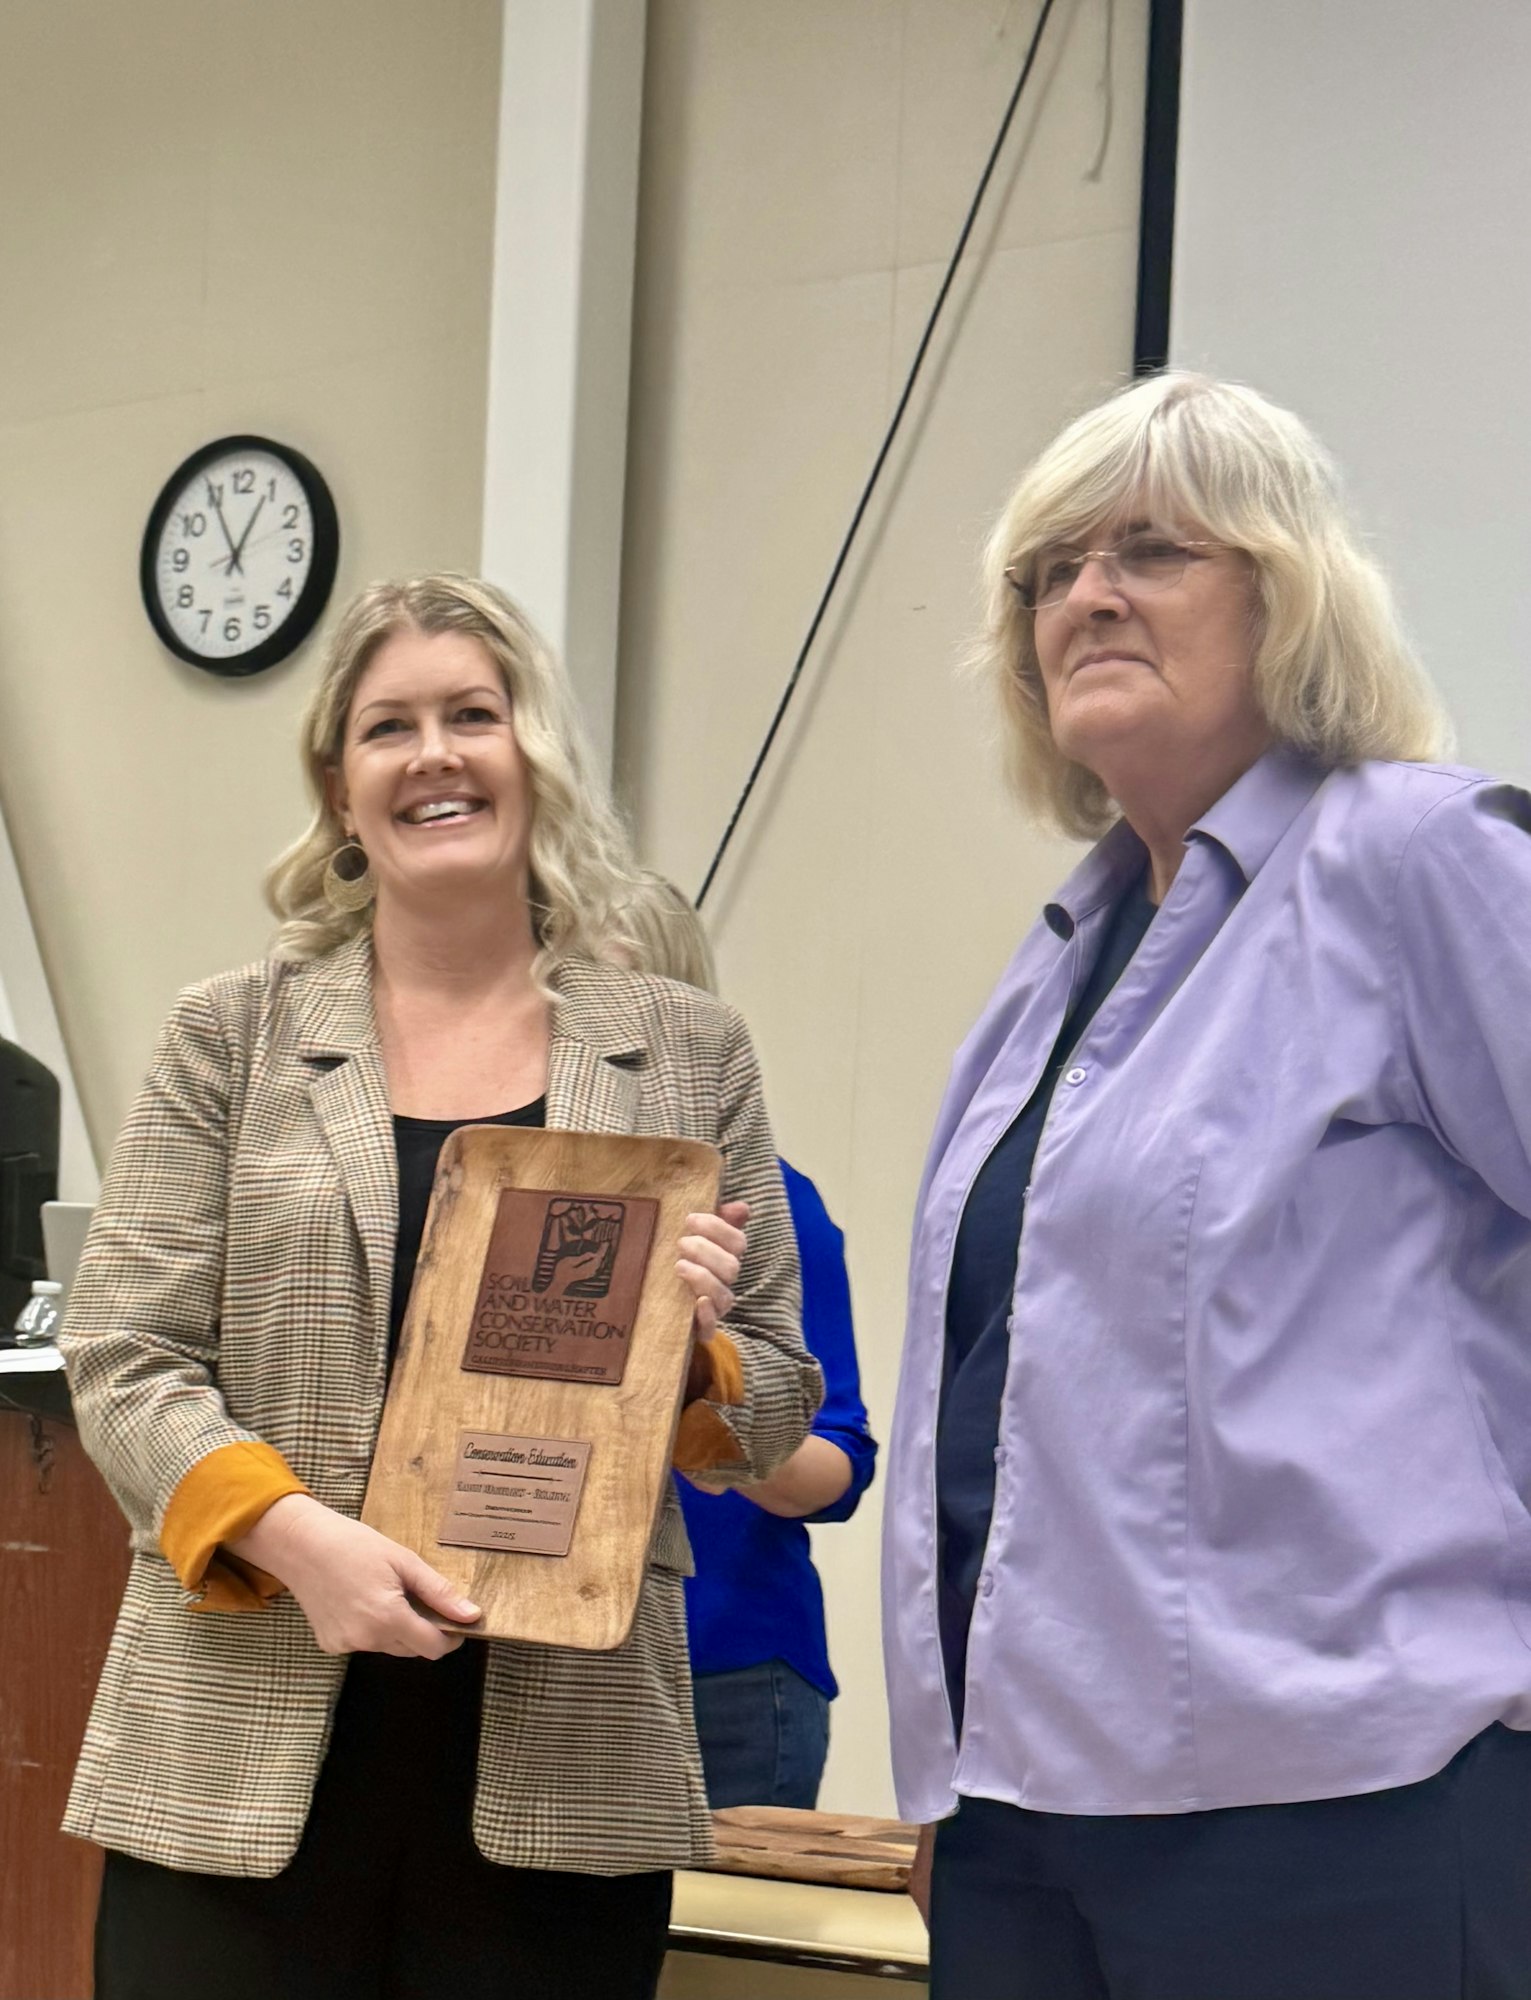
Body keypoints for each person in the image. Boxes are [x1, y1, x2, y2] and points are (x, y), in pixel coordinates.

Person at [59, 574, 822, 2000]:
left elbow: (777, 1399)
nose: (433, 756)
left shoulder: (685, 1048)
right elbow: (122, 1355)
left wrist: (697, 1351)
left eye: (473, 715)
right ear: (339, 790)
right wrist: (296, 1540)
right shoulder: (230, 1035)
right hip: (240, 1734)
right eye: (387, 727)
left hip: (560, 1759)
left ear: (531, 752)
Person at [883, 373, 1531, 2000]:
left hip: (1345, 1811)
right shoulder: (1057, 964)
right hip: (1027, 1818)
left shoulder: (1413, 858)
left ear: (1289, 592)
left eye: (1154, 550)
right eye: (1050, 569)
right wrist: (954, 1769)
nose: (1087, 594)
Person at [619, 874, 877, 1808]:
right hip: (527, 1658)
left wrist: (704, 1400)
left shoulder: (770, 1205)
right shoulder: (487, 1203)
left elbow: (835, 1469)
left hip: (719, 1672)